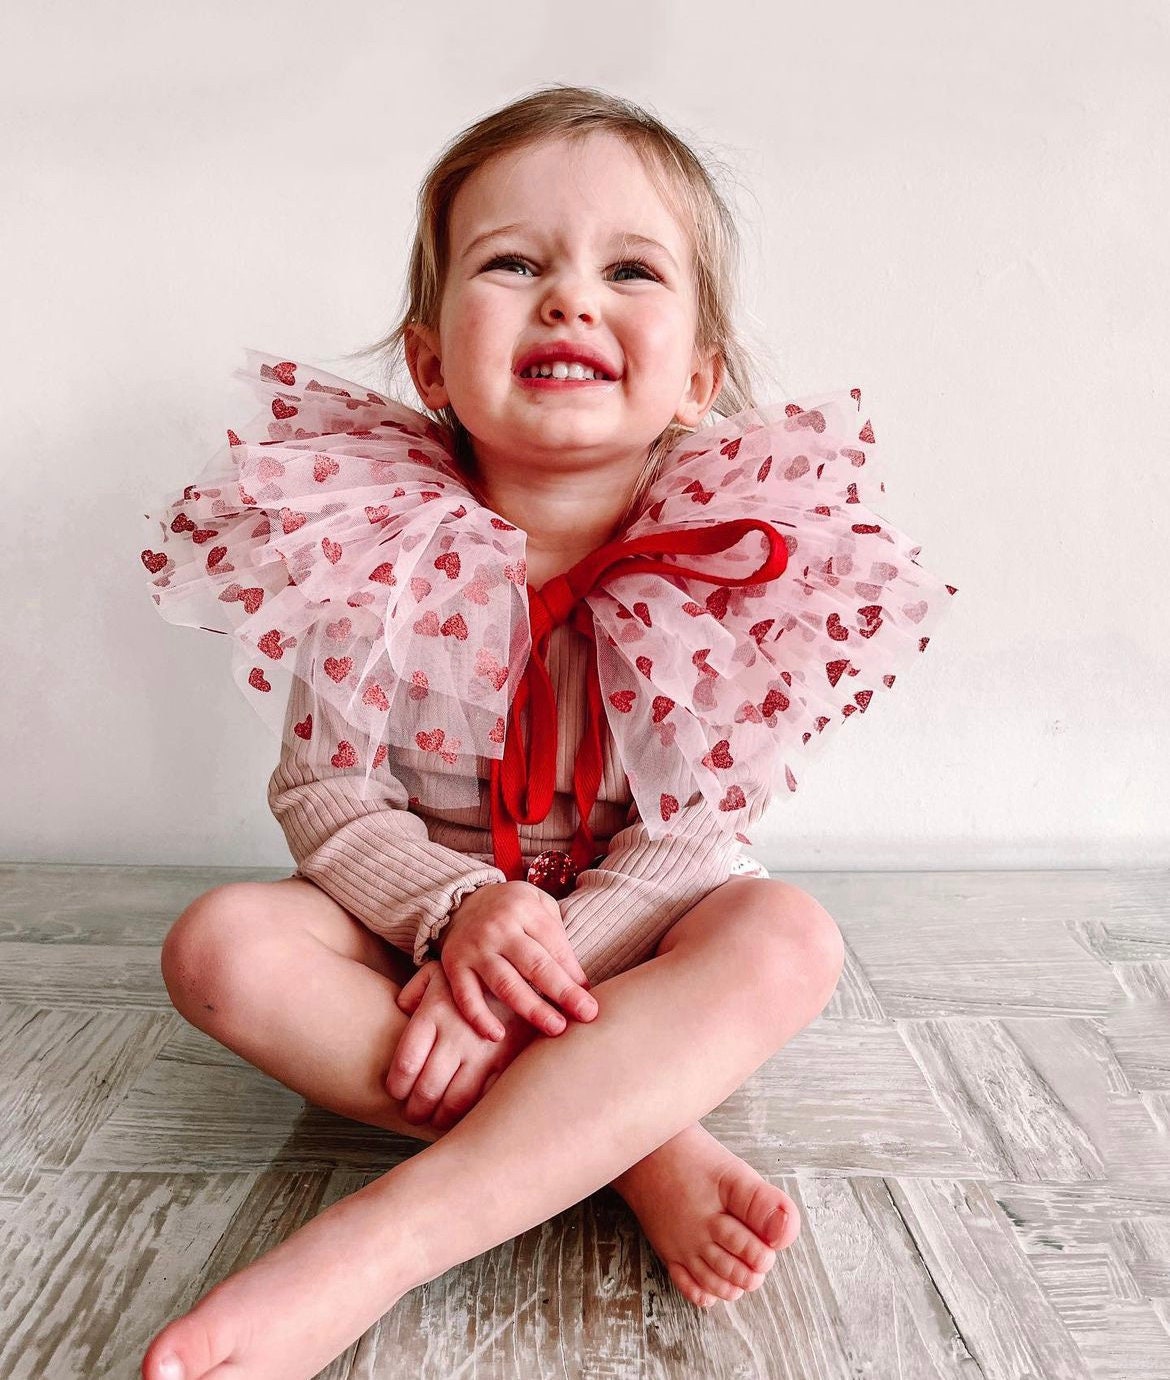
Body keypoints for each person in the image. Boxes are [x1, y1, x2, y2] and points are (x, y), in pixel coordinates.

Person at [136, 84, 956, 1380]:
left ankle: (382, 1240)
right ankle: (632, 1138)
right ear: (427, 361)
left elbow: (689, 841)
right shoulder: (372, 545)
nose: (570, 297)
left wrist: (532, 965)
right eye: (512, 263)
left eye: (628, 268)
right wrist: (458, 918)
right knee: (225, 946)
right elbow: (328, 798)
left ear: (694, 375)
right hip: (414, 931)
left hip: (626, 942)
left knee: (785, 935)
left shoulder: (726, 564)